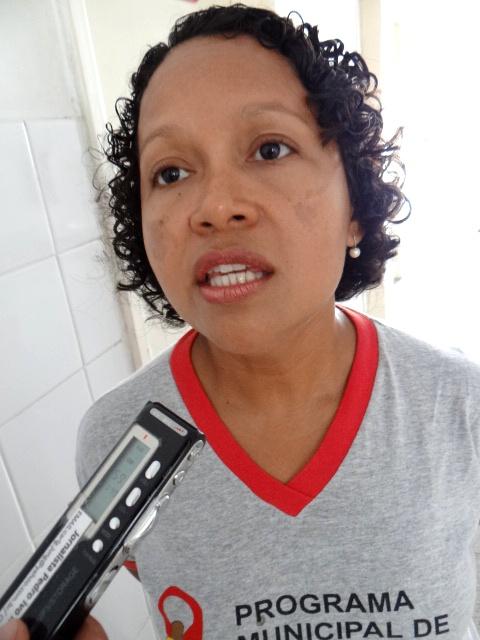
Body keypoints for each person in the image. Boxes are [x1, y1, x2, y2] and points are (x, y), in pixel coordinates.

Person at [3, 3, 480, 639]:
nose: (216, 206)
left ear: (355, 207)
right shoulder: (116, 441)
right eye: (171, 172)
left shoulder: (462, 408)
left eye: (270, 148)